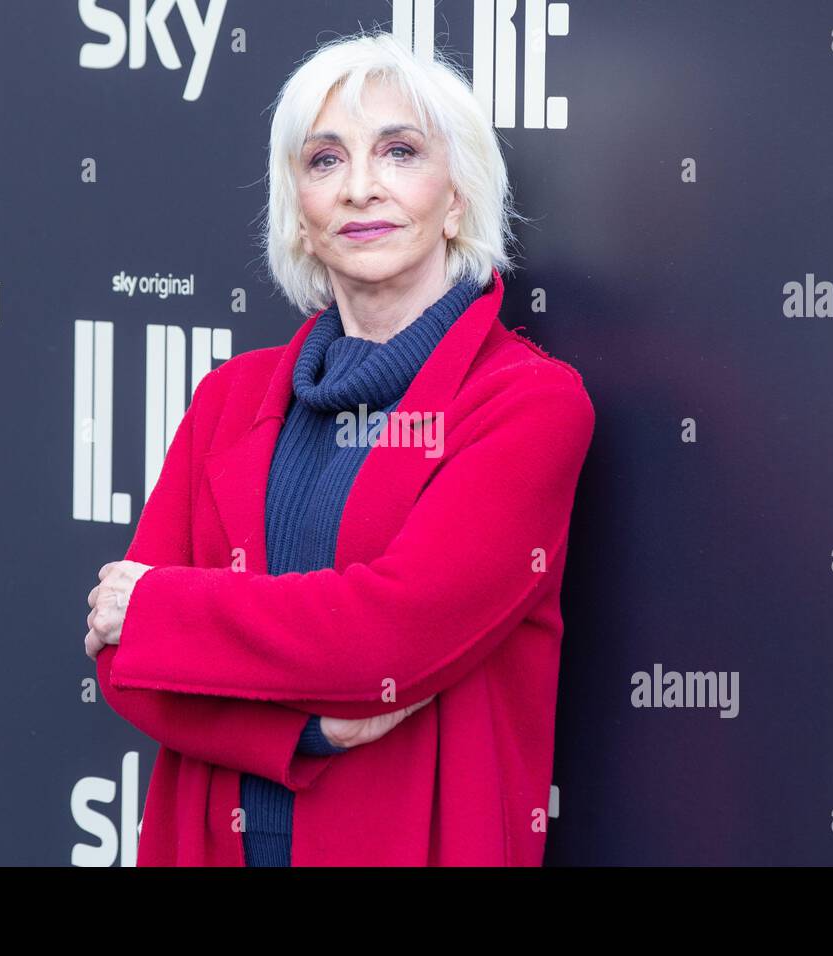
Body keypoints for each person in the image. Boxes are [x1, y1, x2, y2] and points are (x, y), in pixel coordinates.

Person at [84, 30, 594, 866]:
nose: (360, 188)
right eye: (325, 161)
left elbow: (388, 637)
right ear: (300, 212)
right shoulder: (229, 398)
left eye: (399, 152)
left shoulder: (528, 404)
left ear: (457, 198)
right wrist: (305, 731)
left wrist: (164, 610)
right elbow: (124, 668)